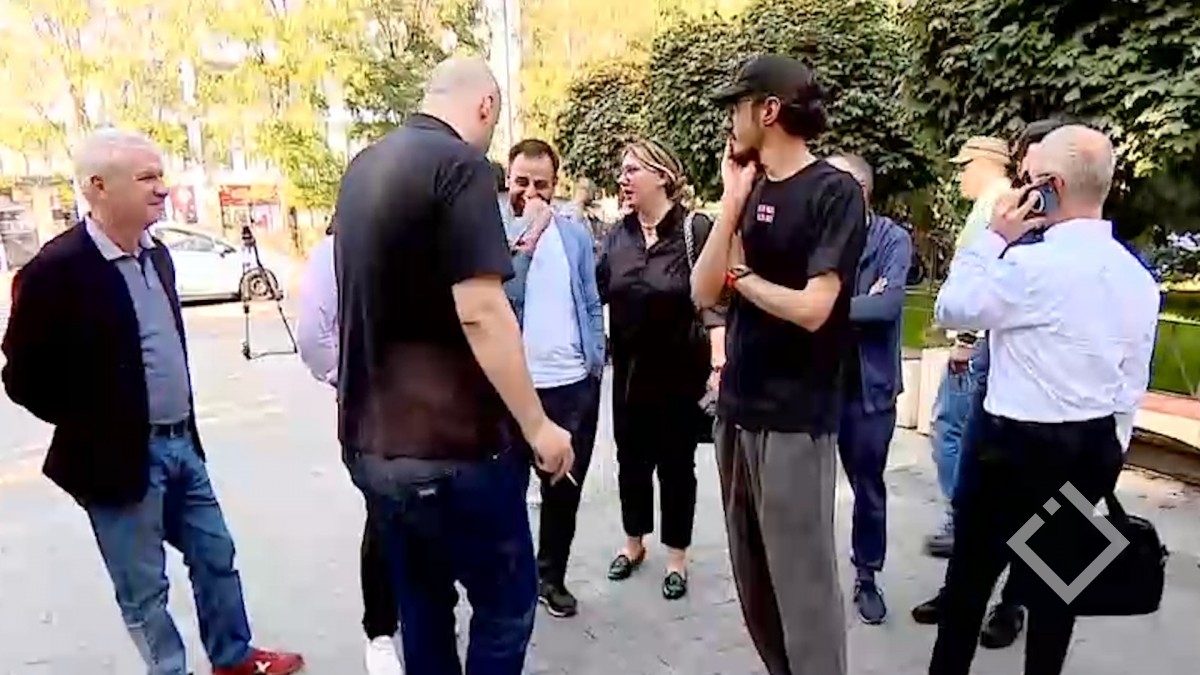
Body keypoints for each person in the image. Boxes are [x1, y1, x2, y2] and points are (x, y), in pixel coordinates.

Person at [0, 129, 304, 675]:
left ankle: (232, 658)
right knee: (145, 590)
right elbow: (23, 378)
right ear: (97, 187)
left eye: (161, 175)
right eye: (147, 178)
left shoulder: (157, 255)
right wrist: (97, 425)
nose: (163, 188)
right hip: (117, 461)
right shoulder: (55, 269)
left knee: (216, 556)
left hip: (182, 445)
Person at [333, 56, 574, 675]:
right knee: (506, 605)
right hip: (454, 450)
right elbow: (481, 310)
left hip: (373, 447)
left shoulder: (363, 167)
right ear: (486, 106)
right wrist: (539, 427)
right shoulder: (460, 165)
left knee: (423, 606)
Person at [928, 125, 1159, 675]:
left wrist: (994, 236)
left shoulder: (1028, 267)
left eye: (1029, 181)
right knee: (1057, 595)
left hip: (1012, 447)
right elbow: (1131, 382)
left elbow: (952, 307)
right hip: (1091, 445)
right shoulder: (1137, 278)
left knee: (968, 586)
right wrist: (1110, 452)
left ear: (1049, 188)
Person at [694, 55, 867, 675]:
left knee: (804, 590)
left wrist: (740, 277)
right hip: (737, 410)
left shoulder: (833, 192)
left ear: (768, 110)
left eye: (737, 106)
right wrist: (730, 206)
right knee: (755, 582)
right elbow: (702, 290)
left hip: (796, 419)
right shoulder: (749, 189)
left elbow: (815, 309)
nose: (730, 120)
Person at [911, 120, 1074, 647]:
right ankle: (963, 590)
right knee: (980, 486)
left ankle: (1012, 604)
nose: (1031, 174)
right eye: (1030, 161)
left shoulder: (1063, 227)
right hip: (998, 359)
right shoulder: (1016, 210)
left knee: (1034, 501)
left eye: (1040, 164)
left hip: (1041, 378)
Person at [598, 137, 725, 600]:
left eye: (633, 170)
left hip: (679, 373)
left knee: (676, 467)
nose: (623, 178)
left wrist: (718, 361)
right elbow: (597, 292)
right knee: (630, 462)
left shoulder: (695, 229)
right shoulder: (617, 235)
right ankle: (633, 543)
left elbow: (716, 301)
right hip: (628, 374)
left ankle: (676, 557)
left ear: (663, 177)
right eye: (622, 170)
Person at [501, 138, 605, 618]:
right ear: (508, 179)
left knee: (564, 489)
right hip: (514, 386)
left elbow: (589, 297)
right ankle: (512, 579)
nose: (531, 192)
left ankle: (551, 577)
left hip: (572, 384)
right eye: (521, 181)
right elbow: (505, 291)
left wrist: (595, 359)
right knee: (505, 490)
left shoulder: (575, 234)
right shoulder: (492, 229)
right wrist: (531, 230)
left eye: (541, 184)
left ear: (555, 184)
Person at [295, 220, 403, 675]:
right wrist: (354, 378)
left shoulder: (423, 239)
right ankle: (380, 631)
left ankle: (426, 612)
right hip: (374, 411)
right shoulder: (337, 250)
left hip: (434, 406)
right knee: (386, 515)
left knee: (431, 513)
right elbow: (312, 338)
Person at [827, 153, 912, 625]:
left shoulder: (891, 239)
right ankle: (809, 577)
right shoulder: (816, 236)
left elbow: (887, 307)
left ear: (859, 192)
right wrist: (859, 302)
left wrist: (820, 307)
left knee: (867, 486)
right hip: (817, 385)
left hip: (869, 388)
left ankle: (866, 574)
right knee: (810, 487)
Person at [925, 135, 1014, 560]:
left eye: (965, 166)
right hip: (982, 341)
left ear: (984, 165)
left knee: (950, 428)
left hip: (973, 343)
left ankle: (960, 517)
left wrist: (963, 340)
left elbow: (984, 277)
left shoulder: (993, 205)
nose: (960, 175)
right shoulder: (998, 203)